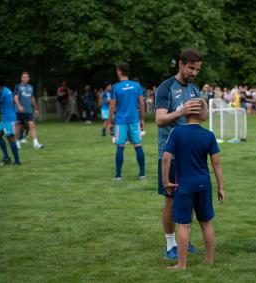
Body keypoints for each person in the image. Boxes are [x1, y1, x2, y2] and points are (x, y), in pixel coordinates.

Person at [162, 98, 224, 270]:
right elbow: (216, 163)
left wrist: (166, 181)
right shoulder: (208, 135)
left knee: (184, 224)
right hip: (204, 184)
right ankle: (209, 259)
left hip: (184, 186)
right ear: (204, 116)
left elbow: (166, 158)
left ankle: (182, 265)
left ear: (186, 112)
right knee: (206, 222)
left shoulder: (176, 132)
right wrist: (220, 187)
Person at [155, 48, 203, 259]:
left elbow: (197, 118)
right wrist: (181, 112)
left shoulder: (195, 89)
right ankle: (170, 244)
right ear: (181, 65)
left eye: (197, 69)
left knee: (190, 198)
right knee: (171, 200)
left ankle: (185, 239)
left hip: (191, 155)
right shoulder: (166, 88)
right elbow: (159, 119)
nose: (194, 73)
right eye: (191, 68)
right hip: (170, 154)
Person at [107, 62, 145, 180]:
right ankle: (142, 174)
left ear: (119, 71)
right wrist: (142, 119)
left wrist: (109, 122)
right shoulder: (137, 86)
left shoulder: (116, 87)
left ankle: (118, 176)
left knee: (120, 146)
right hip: (134, 120)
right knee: (138, 145)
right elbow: (142, 104)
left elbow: (112, 107)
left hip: (120, 121)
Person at [13, 71, 44, 149]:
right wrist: (19, 106)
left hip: (29, 111)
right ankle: (17, 142)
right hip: (19, 111)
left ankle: (36, 143)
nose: (25, 78)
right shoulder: (18, 86)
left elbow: (32, 98)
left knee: (32, 125)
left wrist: (36, 108)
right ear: (21, 78)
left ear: (28, 78)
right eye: (23, 77)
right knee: (19, 127)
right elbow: (15, 98)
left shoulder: (31, 87)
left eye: (26, 77)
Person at [0, 76, 21, 165]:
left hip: (9, 118)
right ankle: (7, 158)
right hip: (5, 118)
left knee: (10, 138)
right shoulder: (5, 90)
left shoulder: (3, 92)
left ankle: (17, 161)